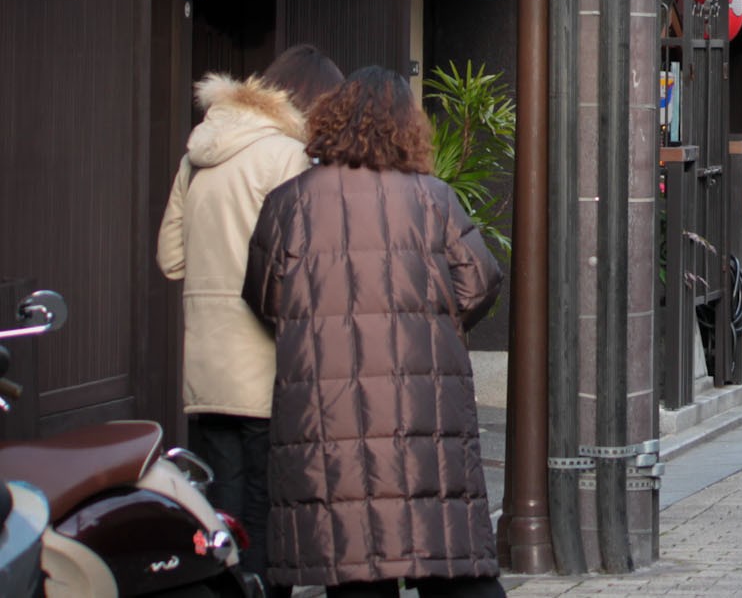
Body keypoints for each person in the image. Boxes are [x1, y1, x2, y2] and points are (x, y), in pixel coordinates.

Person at [244, 67, 504, 598]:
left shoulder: (290, 201)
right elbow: (480, 281)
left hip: (327, 410)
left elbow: (266, 296)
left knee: (353, 563)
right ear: (408, 128)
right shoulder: (433, 198)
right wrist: (433, 322)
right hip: (424, 409)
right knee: (443, 552)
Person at [156, 44, 344, 597]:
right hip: (265, 362)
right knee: (265, 518)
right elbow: (302, 261)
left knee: (217, 512)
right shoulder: (286, 155)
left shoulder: (198, 152)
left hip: (205, 364)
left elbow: (171, 258)